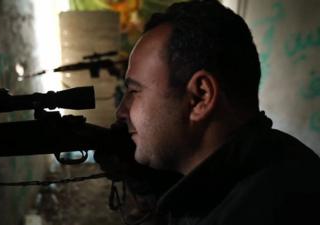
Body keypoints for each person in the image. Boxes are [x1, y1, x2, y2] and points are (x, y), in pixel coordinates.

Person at [96, 1, 320, 225]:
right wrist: (149, 181)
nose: (121, 112)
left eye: (135, 90)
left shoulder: (262, 210)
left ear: (200, 97)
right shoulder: (276, 160)